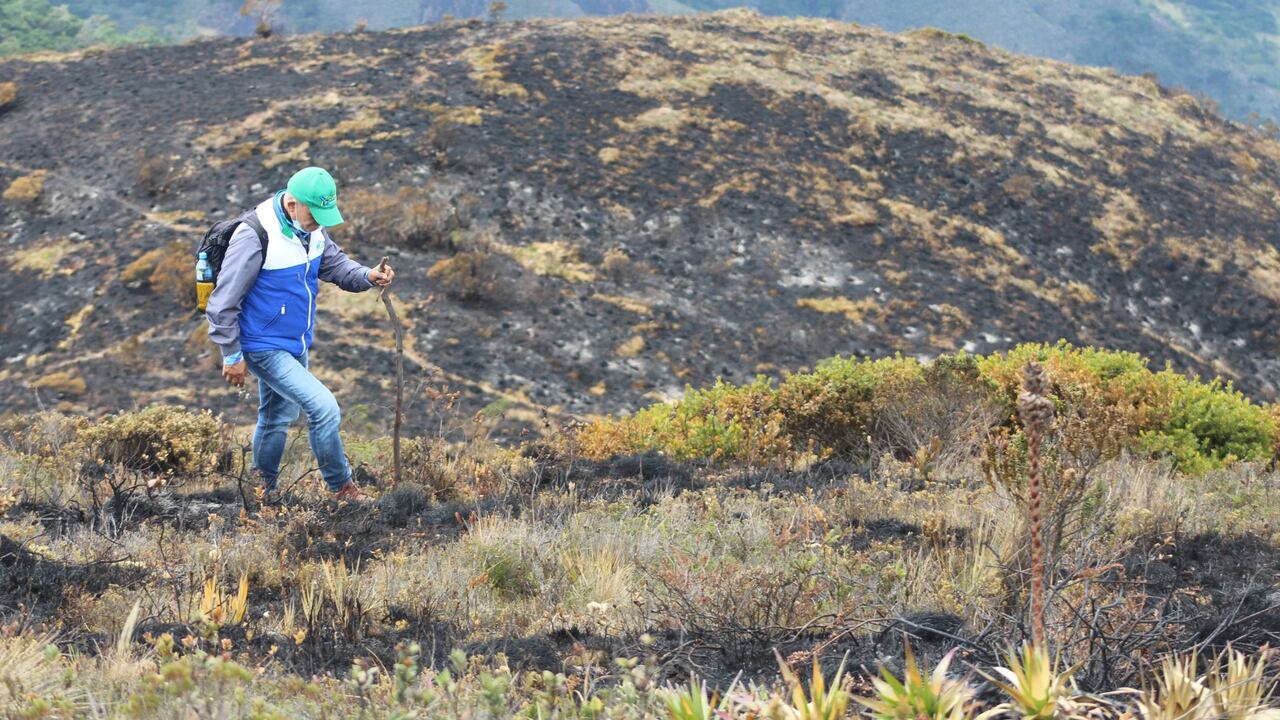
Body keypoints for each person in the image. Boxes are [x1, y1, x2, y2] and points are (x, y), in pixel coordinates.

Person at [205, 166, 394, 503]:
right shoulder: (255, 235)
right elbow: (222, 301)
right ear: (292, 204)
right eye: (314, 214)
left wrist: (368, 275)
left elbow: (335, 266)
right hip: (262, 344)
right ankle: (342, 488)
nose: (320, 222)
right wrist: (231, 354)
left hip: (294, 340)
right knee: (324, 408)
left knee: (277, 415)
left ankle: (261, 490)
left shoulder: (312, 231)